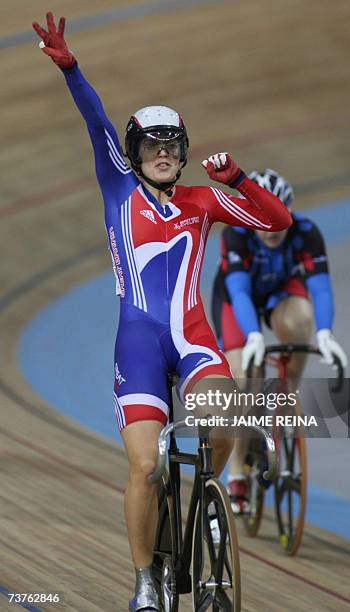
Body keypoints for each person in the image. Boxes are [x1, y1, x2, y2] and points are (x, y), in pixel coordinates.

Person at [32, 13, 292, 611]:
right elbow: (94, 119)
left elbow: (278, 223)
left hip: (193, 338)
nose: (165, 154)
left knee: (226, 423)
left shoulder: (202, 199)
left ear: (183, 152)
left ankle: (209, 494)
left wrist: (242, 181)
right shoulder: (117, 187)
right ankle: (146, 577)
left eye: (173, 145)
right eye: (153, 146)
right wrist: (71, 67)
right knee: (147, 469)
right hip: (141, 343)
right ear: (134, 153)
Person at [211, 168, 348, 514]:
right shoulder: (236, 235)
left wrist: (325, 332)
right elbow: (240, 292)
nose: (272, 231)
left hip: (279, 295)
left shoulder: (306, 232)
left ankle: (287, 394)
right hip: (234, 299)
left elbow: (319, 286)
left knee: (301, 319)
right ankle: (239, 470)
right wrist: (254, 335)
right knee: (244, 382)